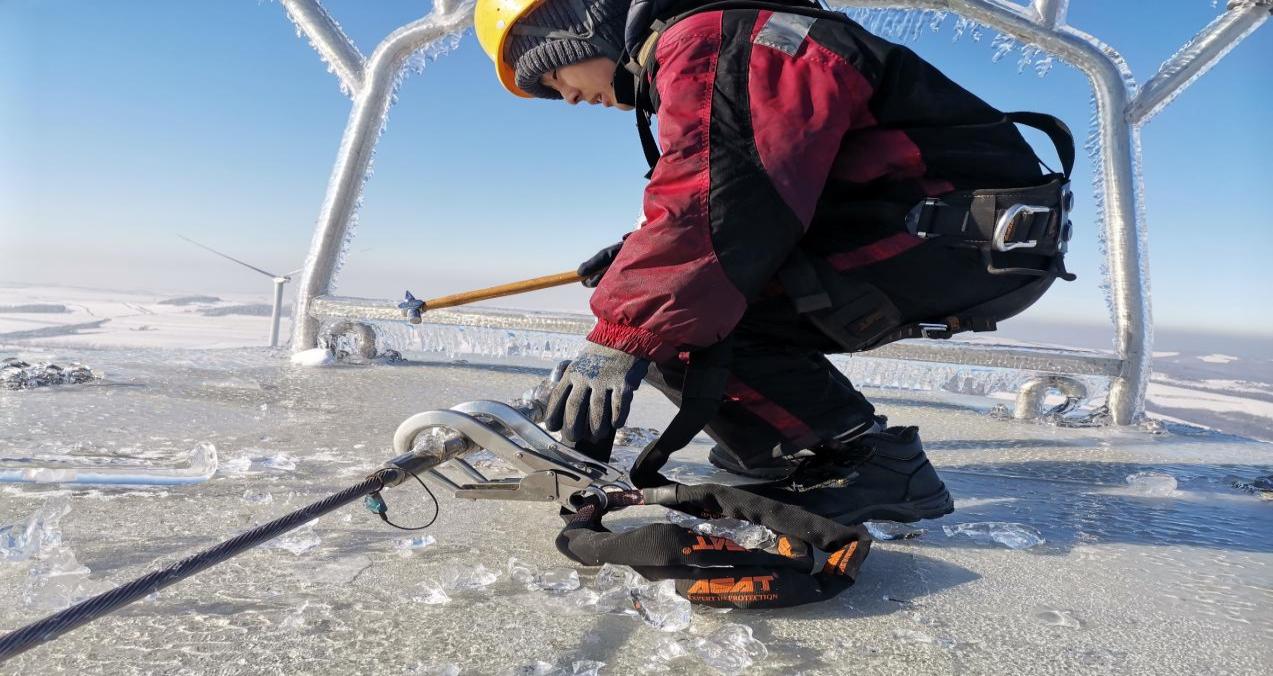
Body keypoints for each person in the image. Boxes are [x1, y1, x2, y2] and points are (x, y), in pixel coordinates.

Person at [475, 0, 1074, 523]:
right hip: (957, 232)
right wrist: (637, 264)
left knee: (670, 321)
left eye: (552, 78)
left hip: (956, 239)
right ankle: (777, 448)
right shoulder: (725, 34)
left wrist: (622, 330)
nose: (570, 98)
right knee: (664, 296)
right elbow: (744, 190)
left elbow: (722, 206)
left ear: (573, 27)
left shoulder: (716, 41)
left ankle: (863, 462)